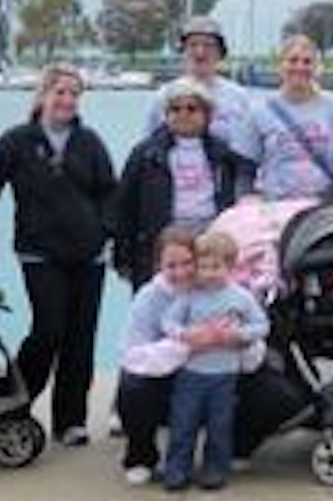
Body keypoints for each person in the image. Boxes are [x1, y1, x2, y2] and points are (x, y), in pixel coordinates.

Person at [0, 63, 117, 446]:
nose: (66, 99)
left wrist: (105, 233)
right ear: (42, 96)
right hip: (40, 253)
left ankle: (70, 421)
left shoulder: (90, 142)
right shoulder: (17, 140)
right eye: (59, 92)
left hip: (89, 257)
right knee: (48, 331)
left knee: (81, 339)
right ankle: (10, 407)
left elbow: (109, 193)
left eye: (73, 93)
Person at [111, 78, 254, 288]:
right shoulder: (146, 154)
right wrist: (122, 255)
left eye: (192, 108)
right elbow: (125, 206)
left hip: (210, 239)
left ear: (207, 115)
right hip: (162, 241)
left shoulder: (224, 155)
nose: (183, 114)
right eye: (175, 109)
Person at [160, 231, 269, 492]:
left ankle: (215, 469)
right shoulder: (190, 295)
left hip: (225, 375)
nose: (208, 273)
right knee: (182, 423)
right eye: (203, 267)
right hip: (191, 373)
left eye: (216, 267)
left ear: (231, 267)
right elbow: (168, 322)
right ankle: (177, 468)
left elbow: (262, 325)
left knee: (219, 426)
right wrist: (186, 334)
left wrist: (238, 335)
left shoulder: (241, 297)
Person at [114, 227, 202, 486]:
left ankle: (235, 447)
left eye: (188, 263)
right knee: (133, 387)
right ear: (158, 266)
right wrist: (187, 345)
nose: (181, 272)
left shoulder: (214, 288)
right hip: (164, 383)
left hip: (209, 376)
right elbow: (131, 356)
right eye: (171, 265)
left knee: (270, 392)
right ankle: (140, 456)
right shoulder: (148, 297)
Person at [238, 34, 333, 201]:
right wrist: (247, 198)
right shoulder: (259, 111)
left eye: (307, 62)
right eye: (293, 60)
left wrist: (328, 196)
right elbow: (246, 169)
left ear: (318, 68)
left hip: (322, 204)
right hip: (274, 203)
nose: (300, 67)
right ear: (281, 66)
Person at [145, 15, 253, 147]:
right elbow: (149, 145)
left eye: (208, 45)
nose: (200, 52)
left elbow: (249, 146)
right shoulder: (164, 95)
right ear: (183, 51)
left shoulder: (239, 97)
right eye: (193, 45)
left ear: (220, 52)